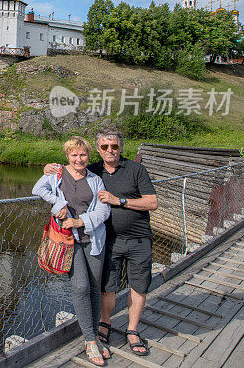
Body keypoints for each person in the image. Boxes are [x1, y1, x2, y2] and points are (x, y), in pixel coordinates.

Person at [44, 128, 158, 357]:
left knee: (138, 286)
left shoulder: (136, 169)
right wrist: (48, 169)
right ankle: (102, 327)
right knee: (105, 288)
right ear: (98, 149)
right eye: (104, 147)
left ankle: (132, 330)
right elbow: (67, 170)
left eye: (114, 146)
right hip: (107, 240)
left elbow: (152, 202)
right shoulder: (92, 170)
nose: (109, 151)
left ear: (121, 147)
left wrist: (119, 201)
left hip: (138, 238)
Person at [33, 136, 111, 366]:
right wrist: (59, 205)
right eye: (74, 154)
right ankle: (89, 340)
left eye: (83, 154)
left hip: (93, 239)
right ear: (67, 156)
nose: (79, 158)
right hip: (68, 241)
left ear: (88, 156)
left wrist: (80, 222)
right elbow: (38, 188)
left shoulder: (95, 180)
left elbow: (103, 211)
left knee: (95, 288)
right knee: (80, 286)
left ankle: (94, 335)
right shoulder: (57, 173)